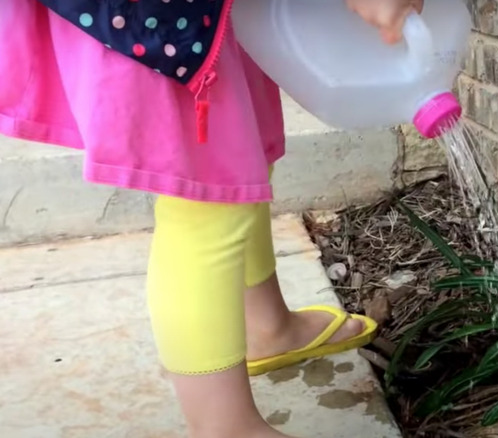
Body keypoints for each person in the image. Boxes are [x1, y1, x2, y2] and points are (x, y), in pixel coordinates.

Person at [0, 0, 424, 437]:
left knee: (240, 161)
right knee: (207, 201)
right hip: (158, 25)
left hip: (190, 18)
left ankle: (267, 326)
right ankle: (225, 426)